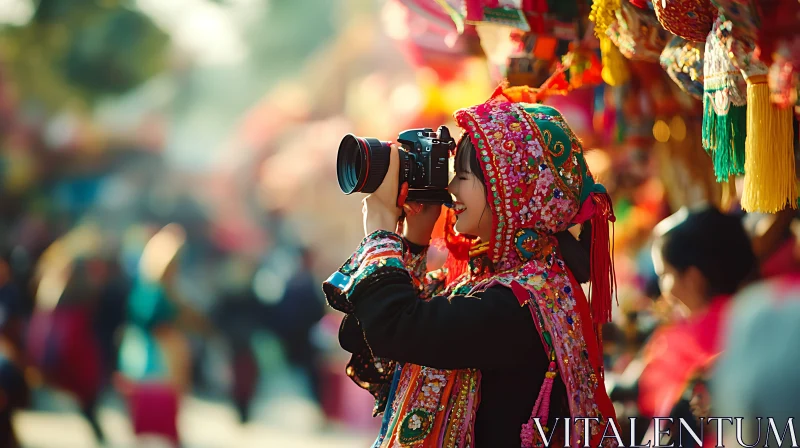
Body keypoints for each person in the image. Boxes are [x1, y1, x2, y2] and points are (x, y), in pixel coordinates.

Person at [324, 87, 619, 447]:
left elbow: (397, 328)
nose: (449, 188)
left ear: (510, 188)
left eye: (463, 176)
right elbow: (379, 339)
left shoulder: (523, 304)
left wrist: (382, 231)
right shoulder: (504, 284)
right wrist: (413, 240)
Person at [637, 207, 757, 432]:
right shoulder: (763, 317)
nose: (664, 293)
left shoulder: (689, 346)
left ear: (693, 278)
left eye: (665, 275)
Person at [117, 223, 212, 446]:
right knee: (157, 400)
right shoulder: (153, 291)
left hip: (157, 353)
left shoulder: (158, 289)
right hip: (156, 356)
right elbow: (155, 320)